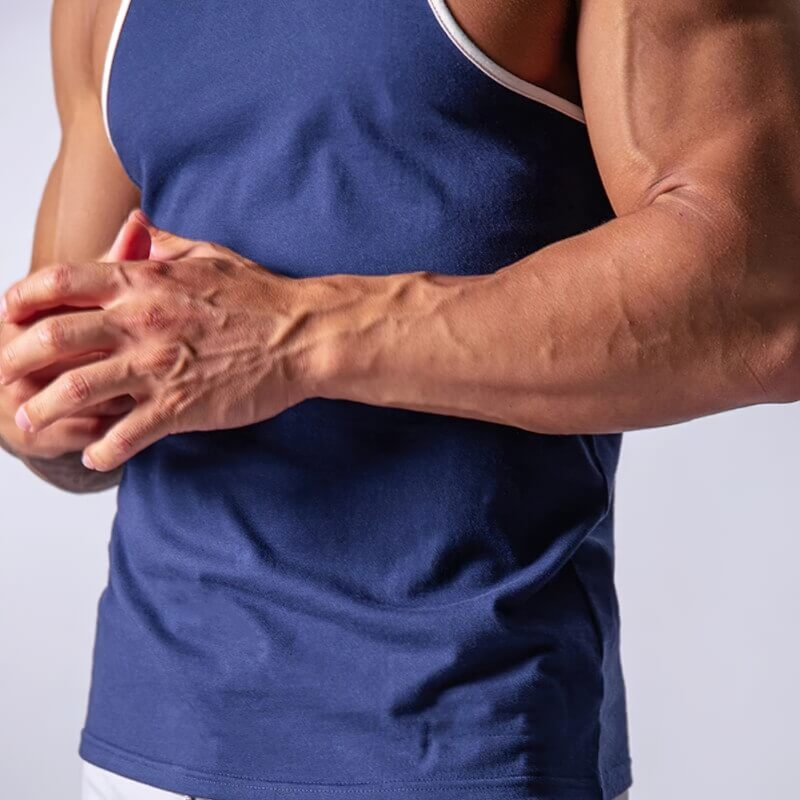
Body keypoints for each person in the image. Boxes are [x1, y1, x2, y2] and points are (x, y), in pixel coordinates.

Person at [1, 0, 798, 798]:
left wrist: (300, 336)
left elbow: (764, 290)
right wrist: (48, 408)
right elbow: (73, 364)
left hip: (458, 741)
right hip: (149, 743)